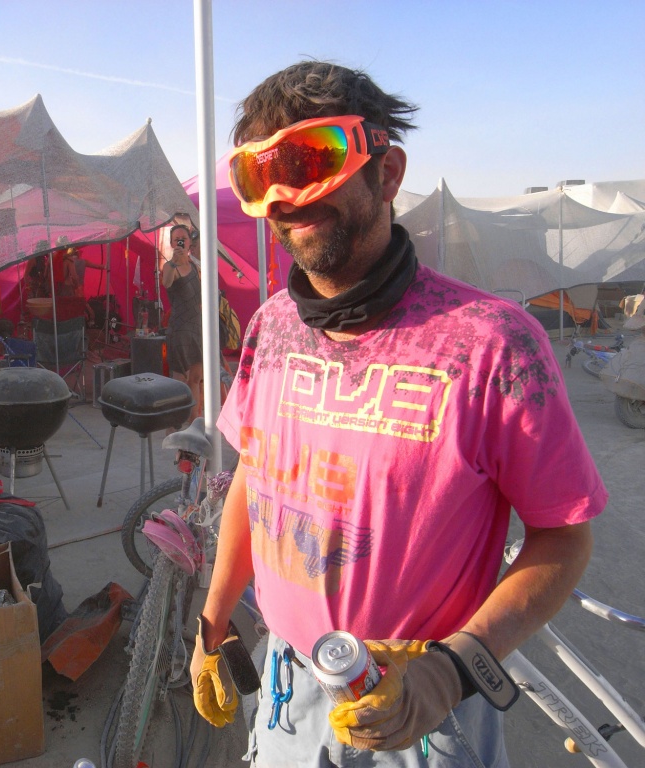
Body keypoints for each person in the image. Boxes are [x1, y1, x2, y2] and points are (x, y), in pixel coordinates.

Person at [190, 60, 607, 767]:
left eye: (312, 161)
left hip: (425, 707)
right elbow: (253, 482)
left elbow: (564, 538)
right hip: (289, 688)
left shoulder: (494, 344)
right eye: (262, 177)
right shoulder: (272, 326)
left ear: (386, 173)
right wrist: (211, 623)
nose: (287, 198)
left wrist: (455, 670)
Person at [161, 223, 204, 420]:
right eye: (176, 239)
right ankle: (174, 425)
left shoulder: (195, 266)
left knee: (196, 378)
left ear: (189, 243)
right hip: (180, 330)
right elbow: (166, 282)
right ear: (171, 243)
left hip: (197, 328)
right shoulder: (170, 267)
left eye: (183, 238)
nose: (180, 242)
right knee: (179, 379)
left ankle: (194, 423)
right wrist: (173, 262)